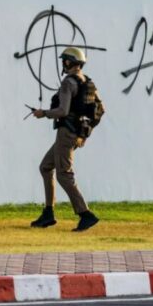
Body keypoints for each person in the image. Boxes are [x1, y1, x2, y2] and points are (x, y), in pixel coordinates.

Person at [29, 47, 104, 232]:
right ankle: (48, 214)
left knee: (64, 175)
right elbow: (100, 110)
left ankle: (85, 214)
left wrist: (43, 113)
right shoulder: (88, 82)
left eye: (65, 60)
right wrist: (84, 134)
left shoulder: (68, 83)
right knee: (45, 167)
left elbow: (62, 111)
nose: (63, 63)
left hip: (65, 133)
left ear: (69, 62)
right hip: (74, 133)